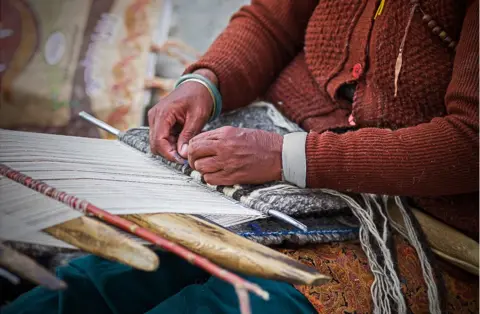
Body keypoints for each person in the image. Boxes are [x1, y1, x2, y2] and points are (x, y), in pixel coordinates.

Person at [4, 0, 478, 313]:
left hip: (411, 225)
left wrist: (288, 156)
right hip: (272, 156)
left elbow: (470, 143)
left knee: (229, 307)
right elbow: (270, 22)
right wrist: (205, 82)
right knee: (94, 281)